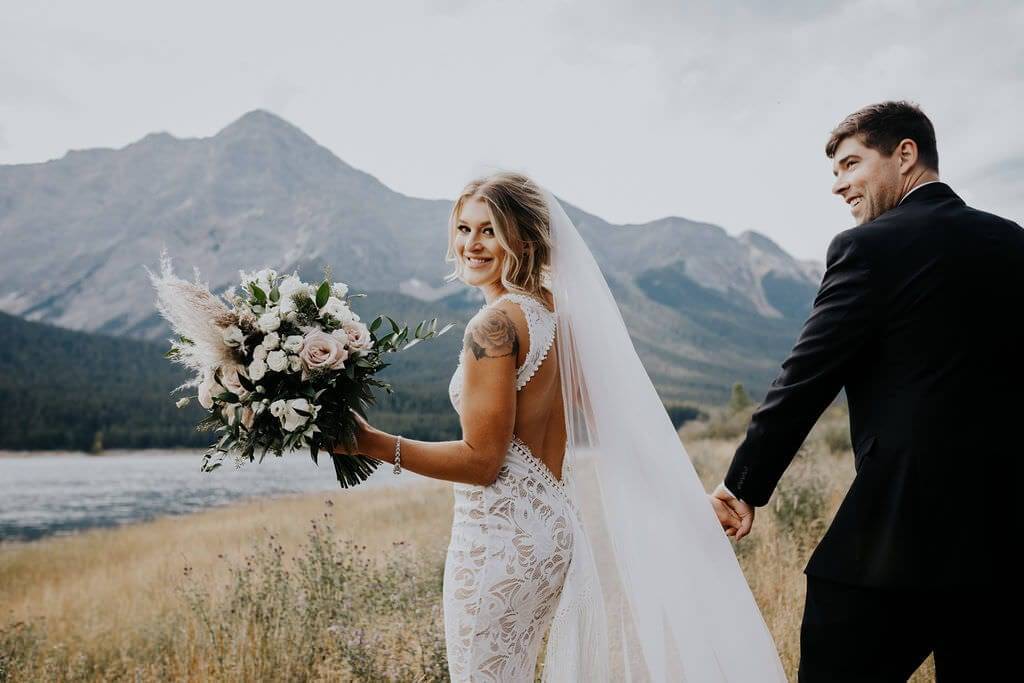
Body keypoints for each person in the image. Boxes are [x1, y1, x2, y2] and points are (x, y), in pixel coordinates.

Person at [337, 171, 786, 681]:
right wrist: (692, 502)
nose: (472, 244)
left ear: (523, 239)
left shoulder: (495, 325)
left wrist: (370, 443)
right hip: (548, 532)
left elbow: (483, 462)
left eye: (490, 230)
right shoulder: (556, 315)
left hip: (498, 537)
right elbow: (620, 432)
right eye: (464, 229)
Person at [713, 101, 1024, 681]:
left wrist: (743, 484)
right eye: (834, 172)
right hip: (1006, 538)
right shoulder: (1013, 242)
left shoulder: (870, 247)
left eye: (851, 165)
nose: (839, 185)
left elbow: (806, 377)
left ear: (905, 155)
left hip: (899, 534)